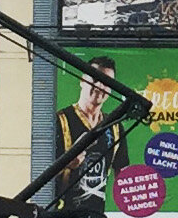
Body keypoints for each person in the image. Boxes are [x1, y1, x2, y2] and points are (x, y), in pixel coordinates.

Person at [53, 55, 131, 209]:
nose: (100, 86)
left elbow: (122, 175)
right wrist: (68, 165)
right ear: (82, 80)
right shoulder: (60, 121)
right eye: (94, 79)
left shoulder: (114, 126)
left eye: (107, 82)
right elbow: (41, 183)